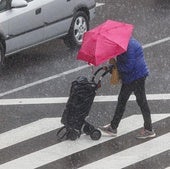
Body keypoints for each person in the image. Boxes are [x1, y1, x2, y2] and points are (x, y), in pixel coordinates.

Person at [99, 37, 156, 139]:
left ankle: (149, 129)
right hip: (132, 77)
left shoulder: (129, 47)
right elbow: (124, 63)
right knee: (126, 100)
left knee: (139, 101)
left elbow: (129, 66)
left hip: (136, 76)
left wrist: (115, 66)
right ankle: (114, 127)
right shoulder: (123, 44)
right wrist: (111, 66)